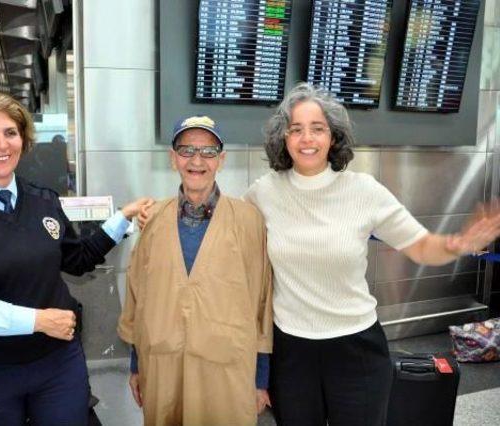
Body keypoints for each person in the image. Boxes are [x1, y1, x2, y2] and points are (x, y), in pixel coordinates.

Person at [242, 83, 500, 426]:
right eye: (296, 129)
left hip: (356, 347)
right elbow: (224, 231)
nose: (307, 139)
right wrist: (157, 213)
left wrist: (457, 243)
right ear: (283, 138)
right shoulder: (264, 192)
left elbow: (420, 244)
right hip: (291, 350)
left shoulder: (363, 190)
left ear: (333, 137)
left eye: (317, 129)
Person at [0, 91, 153, 425]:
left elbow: (78, 259)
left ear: (23, 140)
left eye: (10, 133)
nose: (2, 145)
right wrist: (37, 320)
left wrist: (123, 217)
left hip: (57, 364)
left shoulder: (43, 201)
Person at [118, 115, 273, 426]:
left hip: (226, 368)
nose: (197, 161)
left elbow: (262, 301)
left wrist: (260, 378)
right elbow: (138, 296)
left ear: (222, 160)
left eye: (208, 152)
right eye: (186, 150)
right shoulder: (153, 219)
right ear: (173, 158)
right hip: (163, 365)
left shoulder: (248, 221)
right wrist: (138, 365)